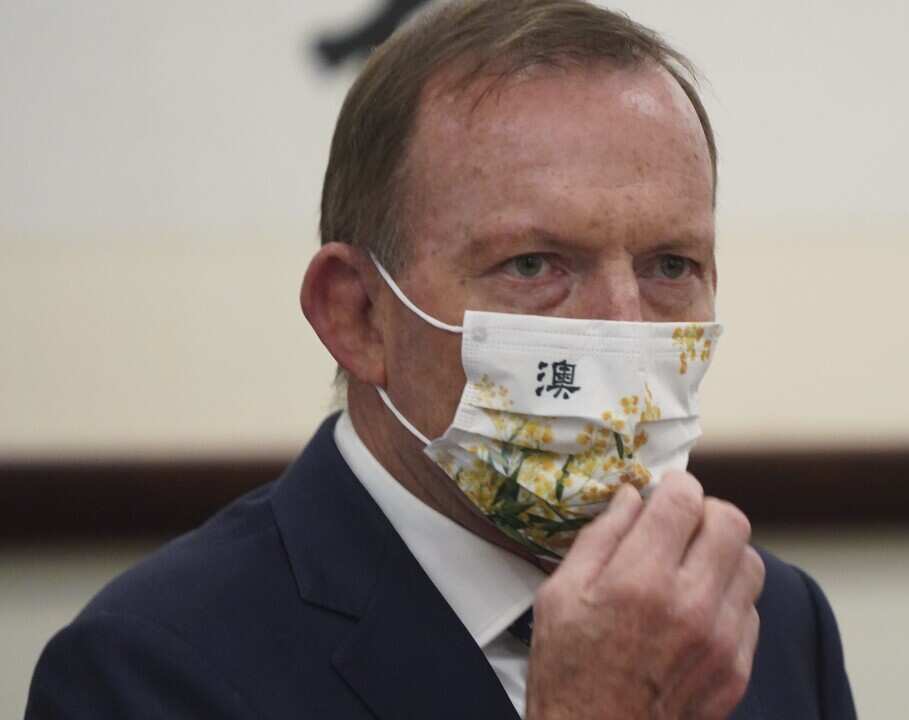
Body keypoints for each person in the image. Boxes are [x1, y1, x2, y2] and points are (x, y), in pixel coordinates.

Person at [26, 1, 856, 717]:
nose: (622, 331)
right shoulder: (149, 670)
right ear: (356, 316)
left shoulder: (766, 621)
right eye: (533, 264)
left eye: (670, 266)